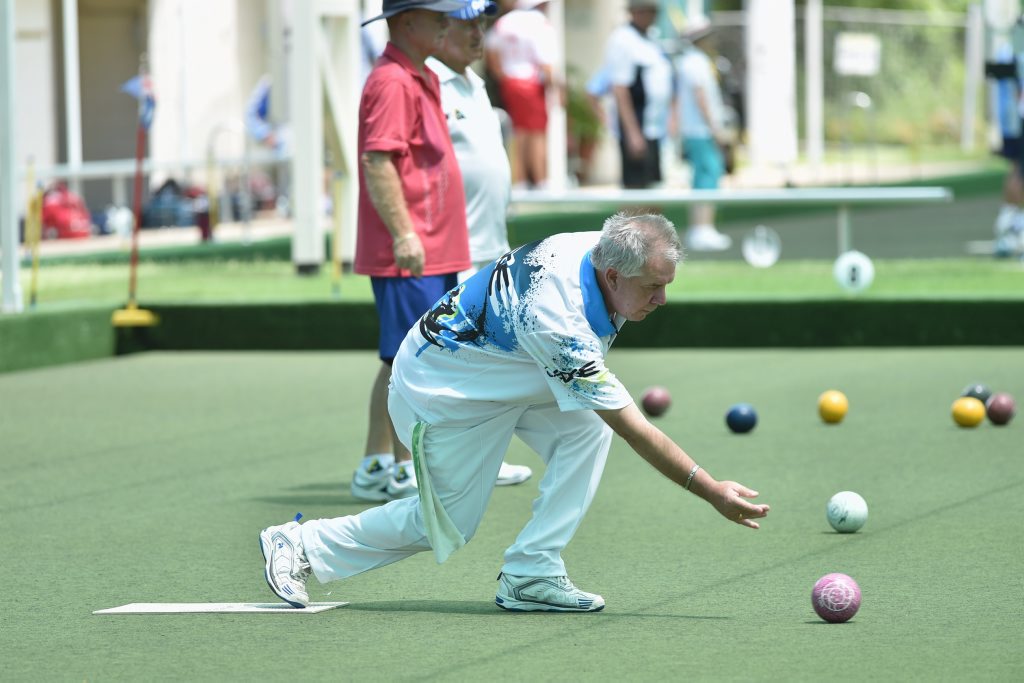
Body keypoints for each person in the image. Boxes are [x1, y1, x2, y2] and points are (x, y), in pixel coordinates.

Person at [259, 212, 771, 612]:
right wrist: (710, 491)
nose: (662, 299)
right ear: (612, 274)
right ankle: (300, 544)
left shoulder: (606, 247)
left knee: (588, 428)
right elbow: (635, 428)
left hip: (505, 369)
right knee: (442, 525)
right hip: (443, 389)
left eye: (667, 284)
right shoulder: (557, 318)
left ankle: (532, 572)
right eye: (652, 288)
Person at [350, 0, 473, 503]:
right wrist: (404, 234)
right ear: (406, 21)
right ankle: (403, 466)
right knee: (410, 361)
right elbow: (378, 161)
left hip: (433, 248)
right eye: (437, 13)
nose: (448, 21)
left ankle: (377, 462)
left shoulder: (421, 76)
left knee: (404, 357)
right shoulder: (393, 82)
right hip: (411, 249)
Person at [426, 1, 532, 485]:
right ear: (439, 27)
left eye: (481, 24)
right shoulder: (426, 82)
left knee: (488, 357)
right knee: (423, 357)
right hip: (450, 249)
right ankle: (396, 462)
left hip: (489, 244)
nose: (477, 34)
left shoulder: (473, 80)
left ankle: (480, 457)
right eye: (467, 24)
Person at [604, 0, 675, 190]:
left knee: (653, 187)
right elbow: (620, 89)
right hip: (638, 127)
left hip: (654, 129)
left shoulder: (651, 38)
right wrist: (633, 133)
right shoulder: (623, 39)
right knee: (636, 191)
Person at [484, 0, 556, 189]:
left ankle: (520, 180)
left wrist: (504, 77)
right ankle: (541, 181)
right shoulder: (540, 22)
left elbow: (491, 53)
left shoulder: (503, 22)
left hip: (511, 83)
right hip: (532, 83)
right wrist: (554, 88)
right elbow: (546, 62)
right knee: (537, 134)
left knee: (518, 132)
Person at [676, 20, 732, 251]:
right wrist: (715, 128)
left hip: (698, 130)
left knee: (705, 176)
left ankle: (702, 227)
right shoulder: (695, 62)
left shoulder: (694, 61)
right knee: (708, 176)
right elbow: (701, 98)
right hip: (701, 130)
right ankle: (702, 228)